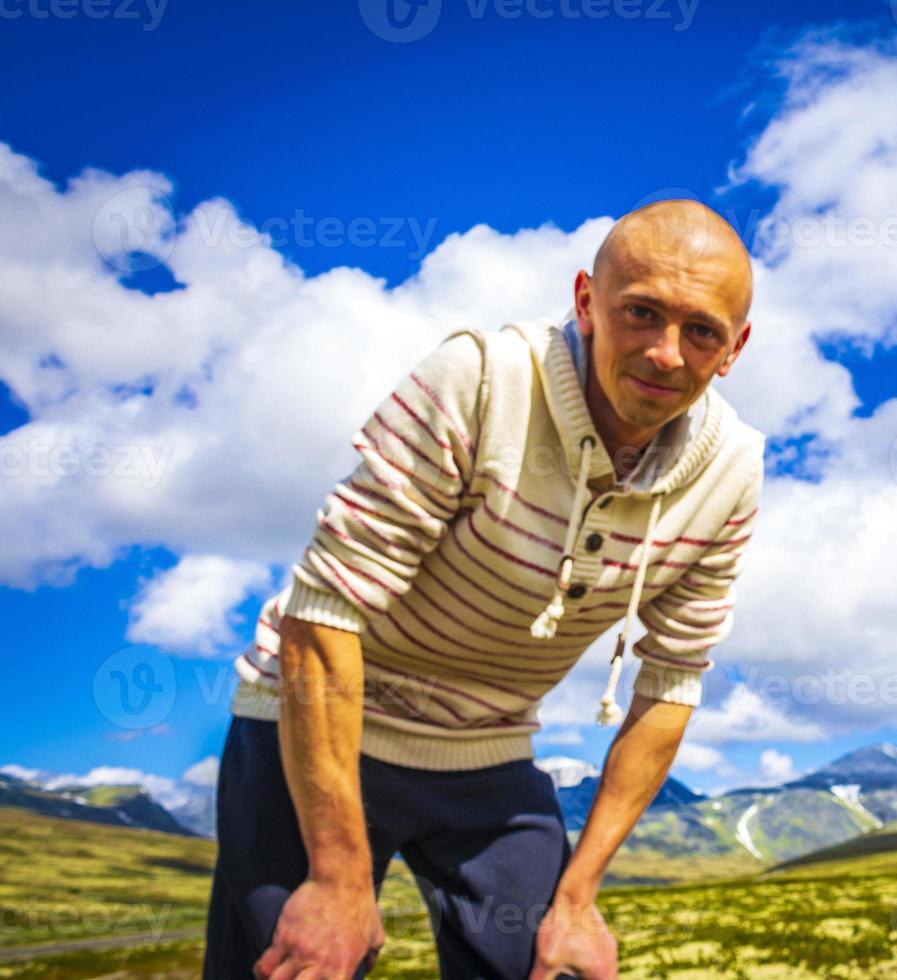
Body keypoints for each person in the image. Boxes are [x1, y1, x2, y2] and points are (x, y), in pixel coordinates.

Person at [201, 199, 765, 980]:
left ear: (733, 348)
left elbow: (672, 682)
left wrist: (578, 899)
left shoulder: (733, 470)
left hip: (488, 746)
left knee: (553, 967)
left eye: (700, 330)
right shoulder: (479, 379)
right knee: (302, 964)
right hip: (320, 721)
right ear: (585, 302)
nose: (667, 353)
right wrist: (336, 880)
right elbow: (322, 611)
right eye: (641, 313)